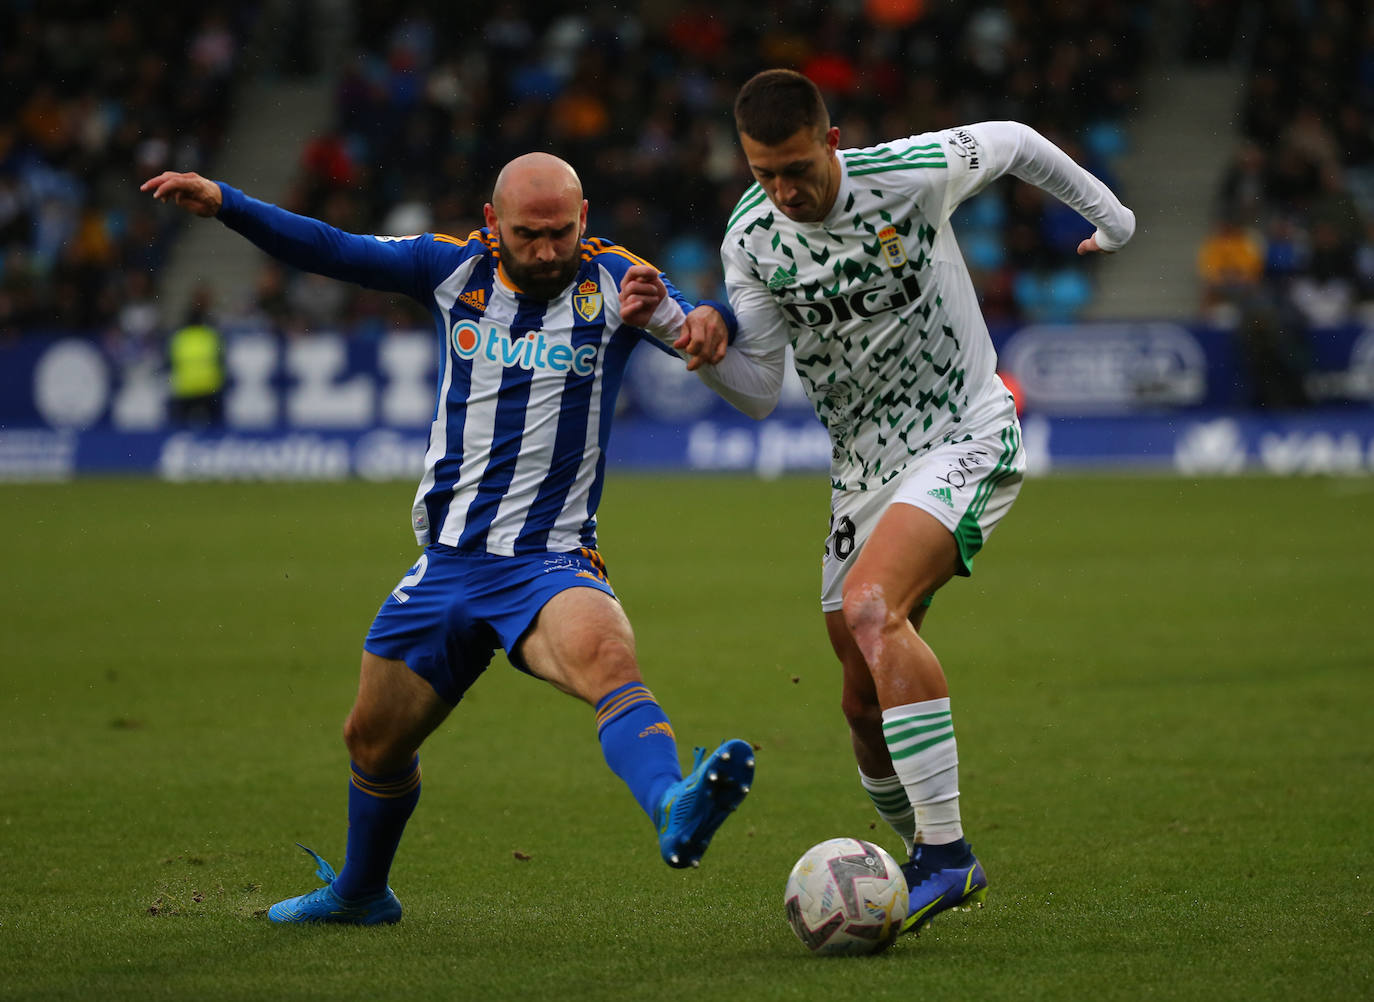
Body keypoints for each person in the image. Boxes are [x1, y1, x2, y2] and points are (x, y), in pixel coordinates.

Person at [141, 152, 755, 926]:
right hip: (447, 566)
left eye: (560, 233)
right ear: (493, 222)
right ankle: (363, 892)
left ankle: (674, 803)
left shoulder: (617, 280)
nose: (544, 250)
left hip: (548, 561)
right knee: (372, 742)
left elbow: (698, 319)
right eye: (527, 234)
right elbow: (334, 248)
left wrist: (713, 318)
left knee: (608, 659)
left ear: (584, 219)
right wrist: (228, 201)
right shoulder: (452, 270)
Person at [622, 68, 1135, 937]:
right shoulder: (752, 240)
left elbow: (1012, 137)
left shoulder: (909, 172)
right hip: (863, 471)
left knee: (872, 606)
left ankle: (945, 856)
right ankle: (904, 867)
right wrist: (680, 331)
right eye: (763, 174)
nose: (783, 191)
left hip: (964, 429)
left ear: (830, 141)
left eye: (795, 168)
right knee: (861, 703)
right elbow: (758, 389)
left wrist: (1111, 220)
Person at [166, 283, 225, 427]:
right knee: (215, 427)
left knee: (182, 427)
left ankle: (181, 446)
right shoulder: (211, 336)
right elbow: (221, 361)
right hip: (209, 388)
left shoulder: (179, 338)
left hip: (185, 389)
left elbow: (170, 363)